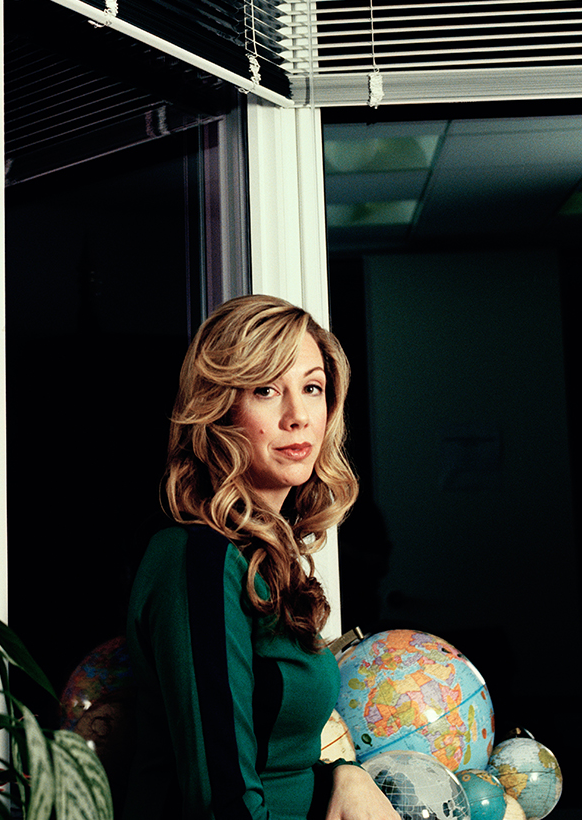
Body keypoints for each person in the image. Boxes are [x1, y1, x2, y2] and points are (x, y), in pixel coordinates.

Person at [122, 295, 399, 820]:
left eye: (312, 388)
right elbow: (222, 801)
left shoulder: (265, 555)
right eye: (266, 390)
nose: (298, 417)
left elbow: (276, 756)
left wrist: (343, 774)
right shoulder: (197, 557)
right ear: (220, 407)